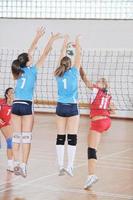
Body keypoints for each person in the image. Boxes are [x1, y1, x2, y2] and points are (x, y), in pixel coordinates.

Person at [11, 27, 61, 178]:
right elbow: (44, 53)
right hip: (26, 105)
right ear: (28, 61)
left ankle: (16, 164)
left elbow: (29, 51)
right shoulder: (32, 70)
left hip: (15, 105)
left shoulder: (18, 71)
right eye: (30, 58)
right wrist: (51, 40)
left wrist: (37, 37)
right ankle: (24, 166)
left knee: (16, 136)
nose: (32, 58)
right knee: (26, 137)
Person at [80, 67, 116, 189]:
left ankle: (91, 175)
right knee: (92, 145)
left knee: (91, 149)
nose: (97, 81)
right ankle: (91, 174)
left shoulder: (96, 89)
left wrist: (81, 69)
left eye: (100, 81)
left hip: (98, 121)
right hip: (106, 121)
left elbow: (85, 80)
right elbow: (113, 110)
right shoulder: (108, 95)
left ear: (103, 85)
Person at [54, 35, 81, 177]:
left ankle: (60, 166)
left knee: (60, 137)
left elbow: (61, 54)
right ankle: (70, 166)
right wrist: (77, 42)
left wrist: (64, 42)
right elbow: (79, 55)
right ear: (70, 64)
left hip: (60, 107)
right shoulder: (75, 72)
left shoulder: (58, 73)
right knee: (72, 137)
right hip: (72, 107)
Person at [0, 87, 14, 172]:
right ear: (7, 95)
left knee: (10, 142)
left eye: (14, 92)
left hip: (5, 124)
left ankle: (10, 165)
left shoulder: (15, 105)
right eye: (11, 92)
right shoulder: (1, 103)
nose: (13, 94)